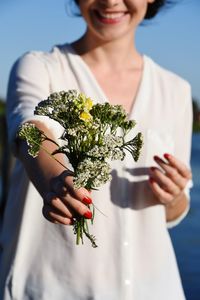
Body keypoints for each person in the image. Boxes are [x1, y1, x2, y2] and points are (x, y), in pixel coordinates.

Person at [0, 0, 193, 299]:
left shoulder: (177, 91)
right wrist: (57, 181)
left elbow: (174, 212)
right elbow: (30, 128)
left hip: (155, 288)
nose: (111, 1)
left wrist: (174, 194)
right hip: (50, 288)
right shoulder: (41, 66)